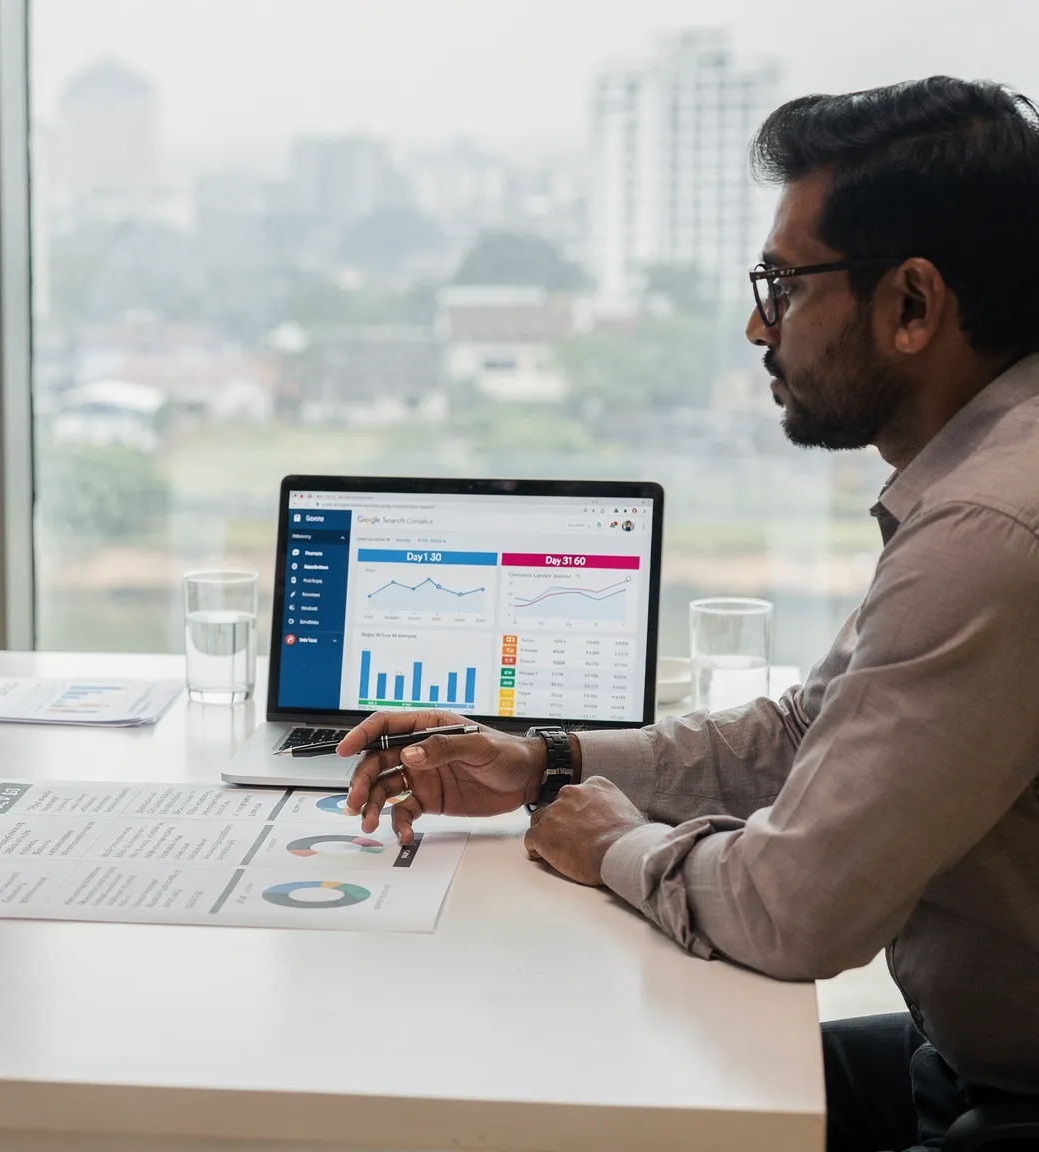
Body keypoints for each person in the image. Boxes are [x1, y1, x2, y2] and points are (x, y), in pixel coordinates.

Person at [339, 77, 1039, 1152]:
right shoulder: (986, 480)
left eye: (784, 284)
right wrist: (546, 761)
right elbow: (808, 732)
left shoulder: (987, 533)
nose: (758, 324)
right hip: (963, 1058)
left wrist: (614, 844)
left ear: (911, 305)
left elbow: (793, 910)